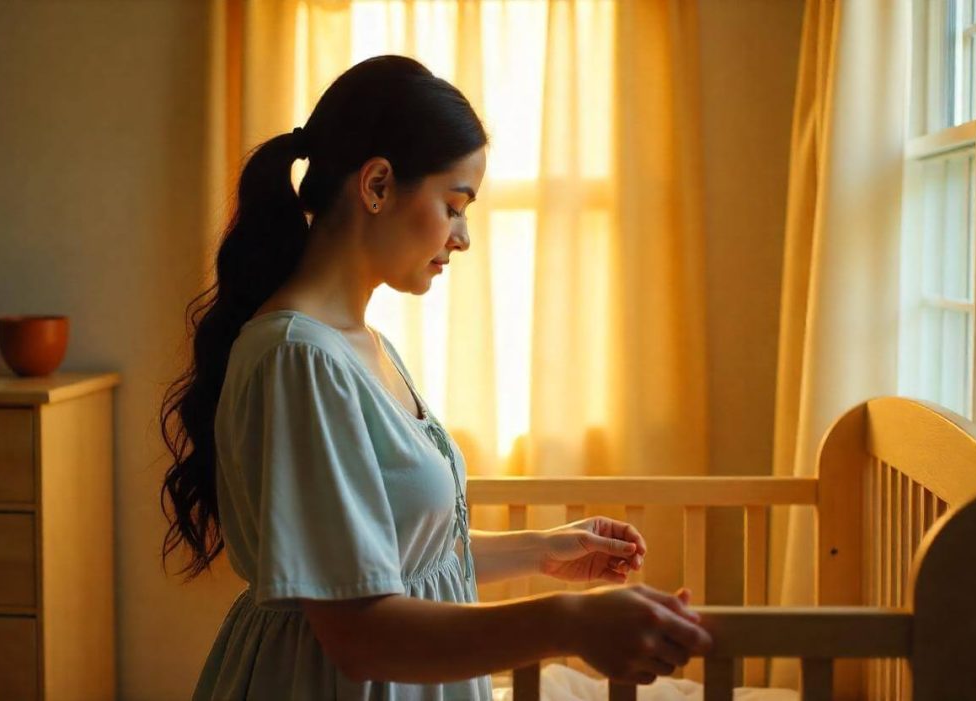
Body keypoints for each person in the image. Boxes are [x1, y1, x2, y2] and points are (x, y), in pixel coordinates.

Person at [159, 54, 712, 701]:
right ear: (377, 185)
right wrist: (569, 622)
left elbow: (393, 563)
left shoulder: (362, 346)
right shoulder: (299, 357)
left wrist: (542, 550)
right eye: (454, 206)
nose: (463, 237)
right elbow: (359, 631)